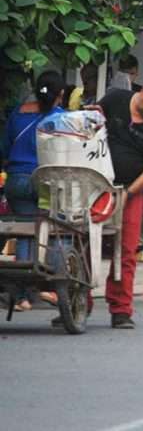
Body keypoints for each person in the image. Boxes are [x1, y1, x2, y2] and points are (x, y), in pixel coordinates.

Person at [96, 76, 143, 329]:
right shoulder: (114, 99)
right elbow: (92, 124)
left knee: (127, 250)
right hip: (96, 186)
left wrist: (129, 193)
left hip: (131, 190)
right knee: (85, 242)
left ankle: (120, 309)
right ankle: (76, 302)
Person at [1, 71, 66, 312]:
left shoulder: (18, 113)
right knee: (52, 229)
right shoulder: (61, 118)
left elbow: (5, 147)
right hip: (46, 181)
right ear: (60, 95)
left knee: (24, 232)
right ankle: (47, 286)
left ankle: (21, 297)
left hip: (17, 181)